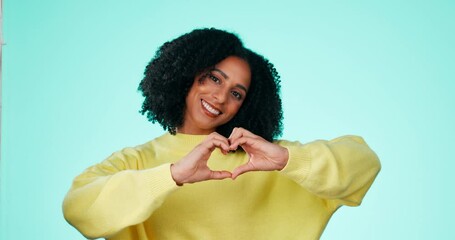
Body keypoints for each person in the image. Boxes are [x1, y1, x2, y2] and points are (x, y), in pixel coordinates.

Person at [62, 28, 381, 240]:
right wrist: (172, 176)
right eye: (213, 79)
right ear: (187, 75)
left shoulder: (265, 159)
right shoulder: (140, 160)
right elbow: (79, 208)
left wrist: (287, 159)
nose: (220, 96)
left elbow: (363, 162)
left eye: (237, 93)